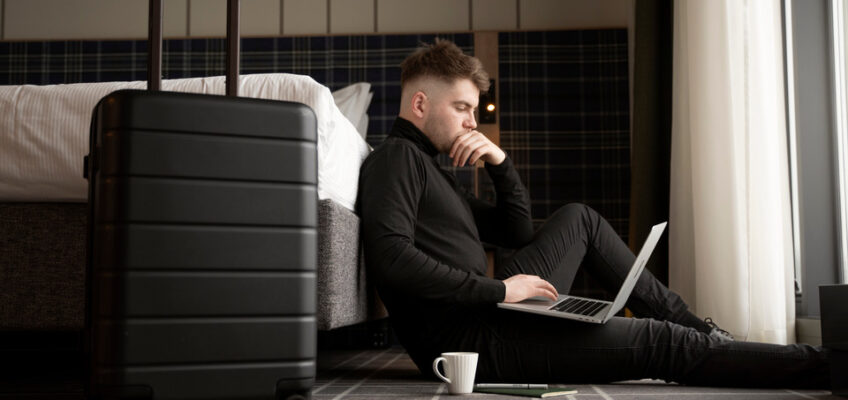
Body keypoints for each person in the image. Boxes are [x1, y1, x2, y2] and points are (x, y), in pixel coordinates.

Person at [356, 38, 829, 389]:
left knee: (579, 217)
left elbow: (515, 230)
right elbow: (390, 258)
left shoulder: (431, 172)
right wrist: (501, 288)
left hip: (490, 309)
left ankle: (705, 331)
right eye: (462, 108)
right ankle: (824, 364)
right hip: (475, 339)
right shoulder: (395, 159)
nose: (472, 123)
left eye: (473, 110)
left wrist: (501, 165)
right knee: (663, 345)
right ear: (420, 103)